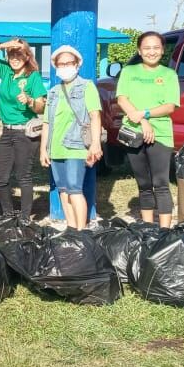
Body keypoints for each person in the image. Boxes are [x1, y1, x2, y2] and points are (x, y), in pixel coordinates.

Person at [115, 31, 180, 228]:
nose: (151, 52)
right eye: (147, 48)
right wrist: (142, 121)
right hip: (133, 133)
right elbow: (122, 99)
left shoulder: (169, 74)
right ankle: (148, 228)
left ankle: (164, 231)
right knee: (143, 184)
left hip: (160, 134)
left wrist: (144, 114)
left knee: (160, 183)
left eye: (156, 48)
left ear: (162, 50)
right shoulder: (129, 72)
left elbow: (170, 106)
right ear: (139, 51)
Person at [0, 38, 46, 219]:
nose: (15, 58)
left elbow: (41, 107)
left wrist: (31, 101)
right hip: (6, 131)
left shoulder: (33, 77)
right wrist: (4, 45)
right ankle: (8, 214)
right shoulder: (6, 71)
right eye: (12, 54)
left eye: (19, 54)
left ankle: (24, 218)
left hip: (24, 131)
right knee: (0, 177)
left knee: (23, 175)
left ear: (27, 56)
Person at [39, 46, 103, 230]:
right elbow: (46, 123)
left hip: (76, 147)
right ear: (55, 66)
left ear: (77, 64)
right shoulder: (52, 92)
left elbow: (95, 116)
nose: (65, 66)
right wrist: (44, 149)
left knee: (75, 189)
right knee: (63, 191)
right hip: (56, 148)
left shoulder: (86, 86)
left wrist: (96, 143)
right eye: (61, 64)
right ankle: (71, 229)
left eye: (69, 63)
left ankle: (81, 232)